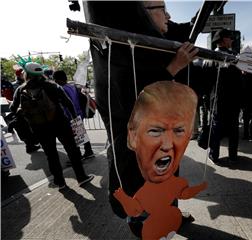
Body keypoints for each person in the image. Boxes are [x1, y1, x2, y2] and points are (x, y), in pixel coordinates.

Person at [83, 0, 199, 228]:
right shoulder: (123, 52)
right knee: (145, 201)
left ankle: (170, 214)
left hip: (163, 143)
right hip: (141, 153)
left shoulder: (155, 45)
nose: (168, 16)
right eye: (162, 9)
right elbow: (134, 99)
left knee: (167, 179)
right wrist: (173, 67)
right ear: (140, 14)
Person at [113, 81, 207, 239]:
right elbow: (135, 209)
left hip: (171, 221)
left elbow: (184, 193)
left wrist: (199, 187)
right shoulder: (142, 190)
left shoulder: (175, 182)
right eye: (156, 131)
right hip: (151, 228)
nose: (168, 145)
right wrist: (122, 197)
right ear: (133, 137)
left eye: (179, 131)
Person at [10, 61, 94, 189]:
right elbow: (68, 103)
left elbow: (13, 108)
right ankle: (81, 177)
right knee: (72, 151)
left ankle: (60, 182)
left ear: (26, 74)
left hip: (39, 128)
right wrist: (74, 119)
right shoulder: (52, 86)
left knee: (51, 155)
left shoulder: (21, 90)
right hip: (61, 124)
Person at [205, 29, 243, 163]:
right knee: (233, 127)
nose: (232, 40)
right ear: (223, 39)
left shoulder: (210, 55)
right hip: (233, 99)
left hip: (217, 98)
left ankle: (214, 155)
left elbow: (206, 79)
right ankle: (233, 156)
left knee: (216, 126)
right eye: (230, 37)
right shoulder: (237, 57)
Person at [53, 70, 95, 160]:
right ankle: (89, 151)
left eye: (55, 79)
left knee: (73, 137)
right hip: (79, 114)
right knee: (81, 134)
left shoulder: (62, 89)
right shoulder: (72, 86)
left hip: (70, 116)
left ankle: (78, 156)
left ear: (58, 80)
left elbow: (66, 105)